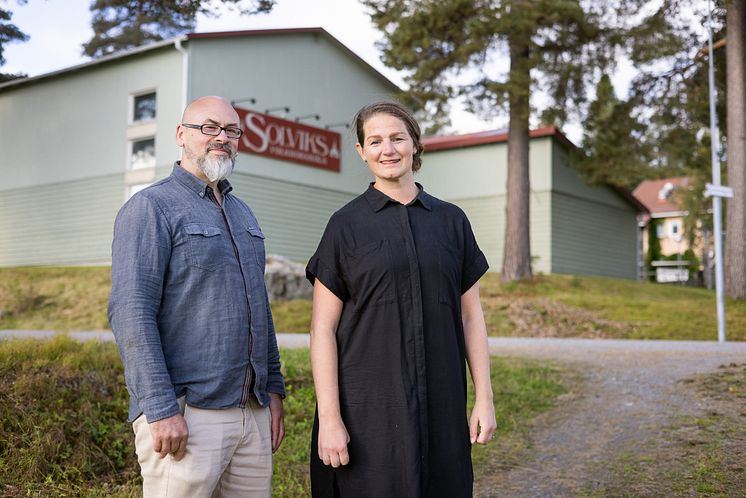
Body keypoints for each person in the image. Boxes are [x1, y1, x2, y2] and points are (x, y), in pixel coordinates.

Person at [306, 100, 497, 498]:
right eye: (374, 141)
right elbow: (322, 329)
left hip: (441, 405)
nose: (387, 150)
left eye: (397, 138)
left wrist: (484, 399)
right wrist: (330, 419)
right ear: (361, 152)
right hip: (367, 410)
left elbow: (471, 318)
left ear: (414, 144)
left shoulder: (451, 222)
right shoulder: (345, 225)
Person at [108, 96, 285, 498]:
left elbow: (261, 310)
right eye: (209, 127)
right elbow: (131, 312)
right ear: (181, 136)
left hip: (251, 414)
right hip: (187, 414)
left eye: (231, 130)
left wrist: (273, 389)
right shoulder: (151, 208)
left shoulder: (245, 215)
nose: (221, 137)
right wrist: (161, 407)